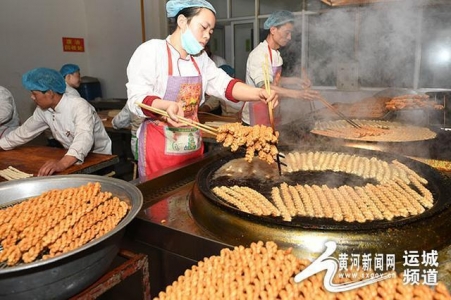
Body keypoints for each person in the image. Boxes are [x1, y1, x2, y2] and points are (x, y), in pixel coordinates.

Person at [126, 0, 279, 178]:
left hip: (192, 146)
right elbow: (137, 98)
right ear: (182, 21)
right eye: (203, 28)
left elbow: (224, 84)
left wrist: (258, 93)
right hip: (160, 149)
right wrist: (165, 106)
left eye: (211, 31)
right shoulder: (152, 51)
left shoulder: (199, 59)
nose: (207, 35)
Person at [0, 67, 112, 176]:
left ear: (49, 93)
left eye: (35, 94)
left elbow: (83, 138)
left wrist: (62, 164)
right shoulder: (43, 110)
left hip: (98, 157)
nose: (32, 97)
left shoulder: (79, 106)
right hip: (71, 156)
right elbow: (23, 133)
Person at [242, 10, 320, 126]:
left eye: (291, 33)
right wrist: (298, 94)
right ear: (273, 30)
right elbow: (265, 87)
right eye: (287, 32)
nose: (289, 37)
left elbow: (273, 79)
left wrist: (296, 81)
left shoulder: (276, 54)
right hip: (256, 117)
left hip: (272, 112)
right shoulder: (259, 55)